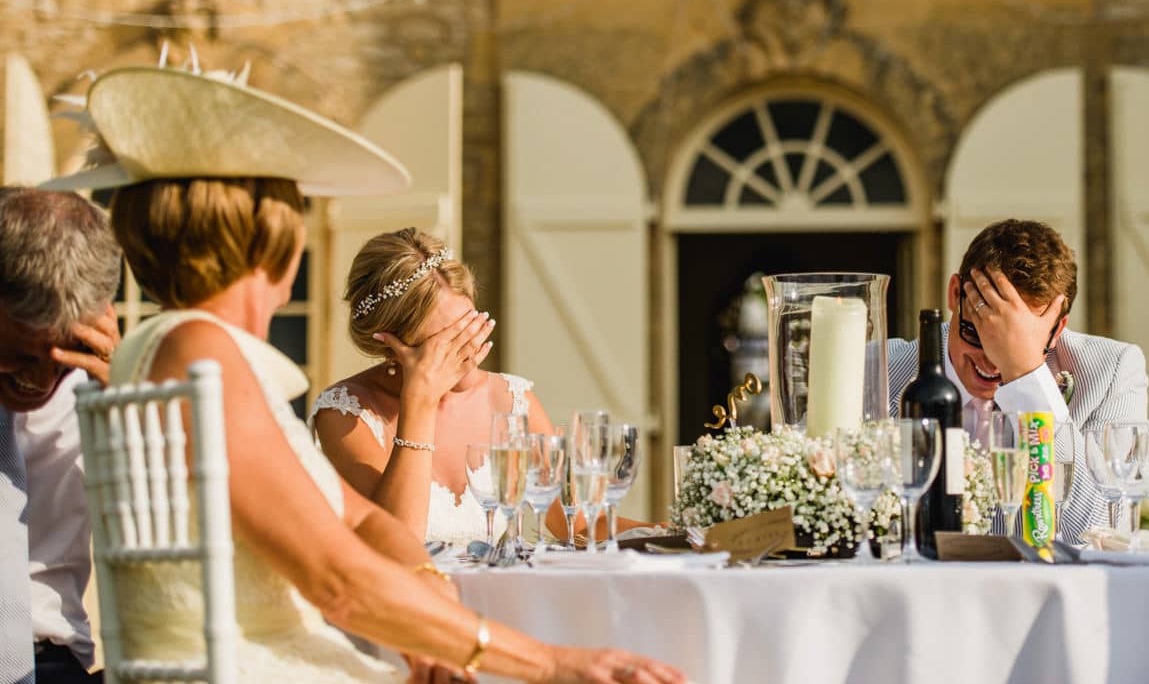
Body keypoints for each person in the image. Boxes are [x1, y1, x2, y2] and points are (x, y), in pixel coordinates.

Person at [45, 62, 683, 684]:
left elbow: (358, 523)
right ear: (278, 238)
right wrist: (549, 664)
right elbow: (338, 581)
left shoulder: (186, 348)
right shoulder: (200, 353)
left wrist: (436, 608)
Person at [887, 219, 1149, 542]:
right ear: (955, 294)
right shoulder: (879, 371)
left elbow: (1100, 533)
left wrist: (1026, 374)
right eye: (976, 331)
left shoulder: (1111, 371)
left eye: (1016, 341)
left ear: (1058, 328)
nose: (990, 359)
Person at [311, 228, 547, 546]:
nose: (467, 350)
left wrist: (640, 536)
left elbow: (585, 521)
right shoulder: (345, 415)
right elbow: (398, 544)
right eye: (445, 343)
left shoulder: (512, 399)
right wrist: (419, 402)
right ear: (392, 347)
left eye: (472, 327)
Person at [0, 187, 121, 684]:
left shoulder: (103, 388)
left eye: (58, 357)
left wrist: (126, 415)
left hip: (53, 663)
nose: (37, 379)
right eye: (22, 354)